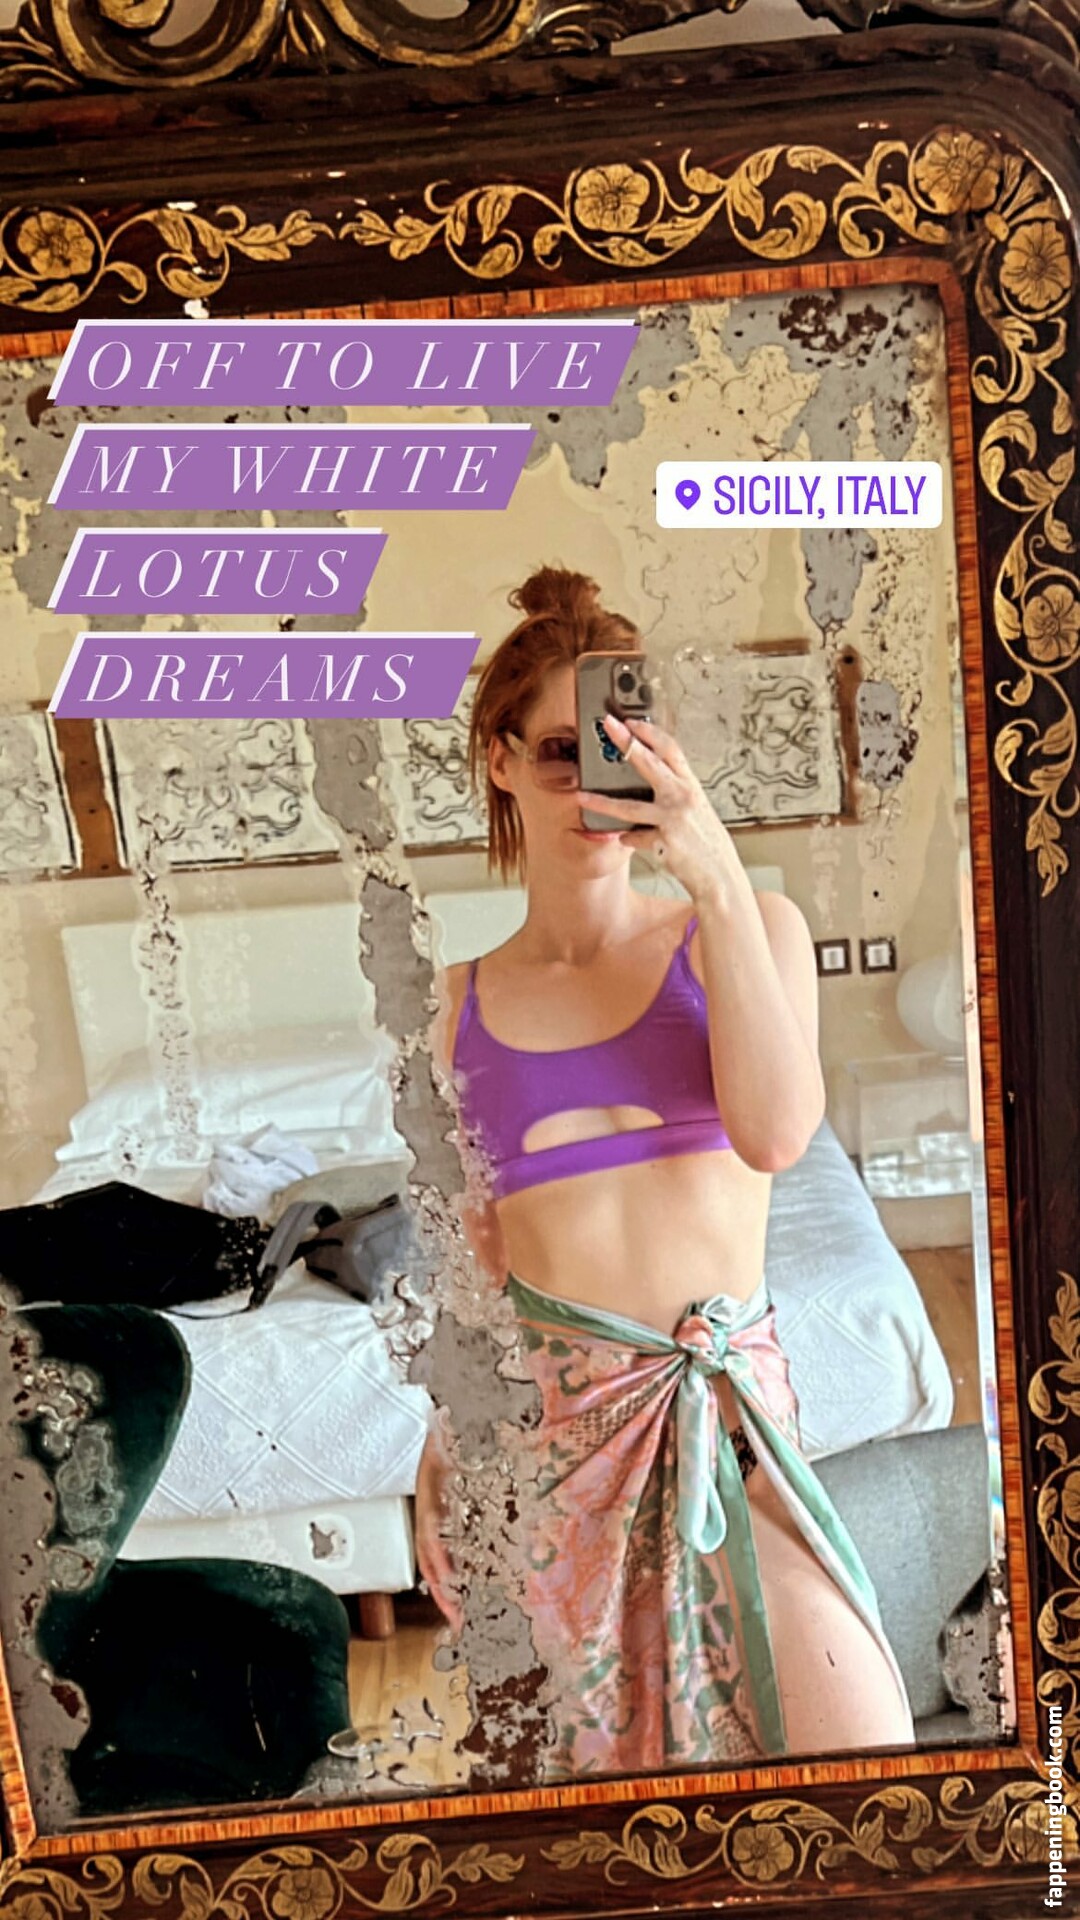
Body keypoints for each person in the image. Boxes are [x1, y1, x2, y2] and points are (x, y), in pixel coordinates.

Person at [418, 565, 914, 1778]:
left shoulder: (747, 931)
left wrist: (717, 874)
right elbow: (477, 1259)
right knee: (618, 1808)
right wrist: (443, 1447)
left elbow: (777, 1135)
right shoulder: (450, 1008)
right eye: (561, 753)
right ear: (499, 761)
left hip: (727, 1420)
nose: (596, 784)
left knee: (867, 1766)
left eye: (626, 746)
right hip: (557, 1449)